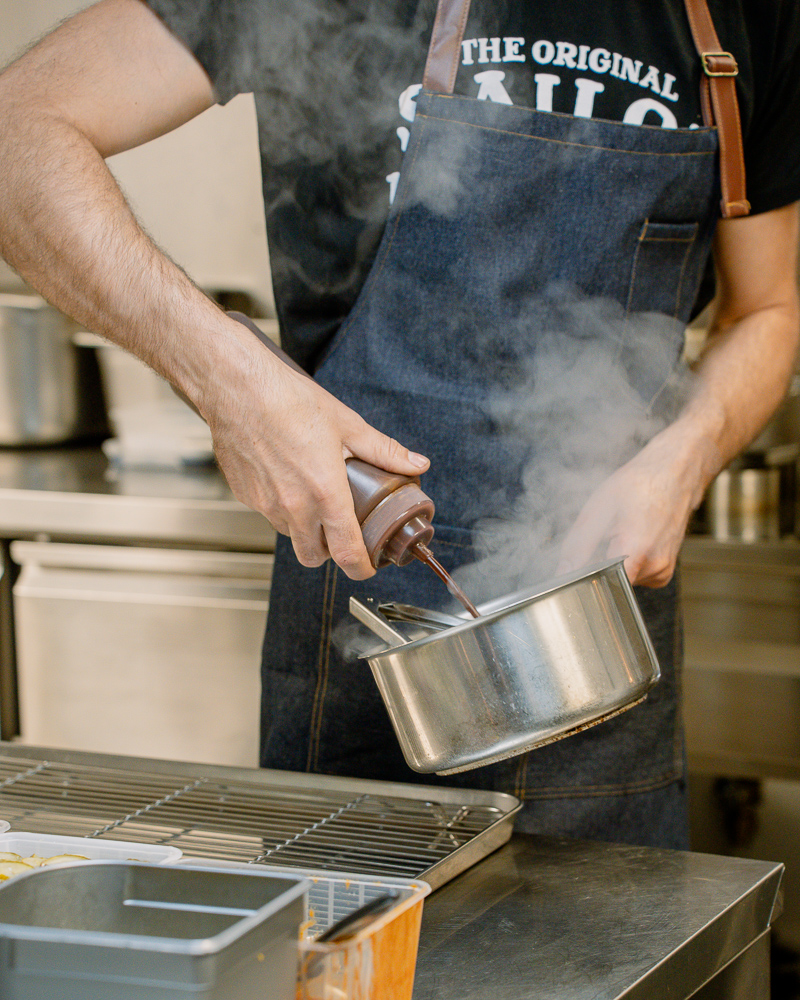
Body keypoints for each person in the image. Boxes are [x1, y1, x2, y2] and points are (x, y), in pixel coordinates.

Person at [0, 0, 798, 849]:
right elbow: (21, 133)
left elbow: (771, 310)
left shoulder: (745, 14)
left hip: (599, 626)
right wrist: (231, 385)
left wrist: (683, 457)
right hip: (363, 623)